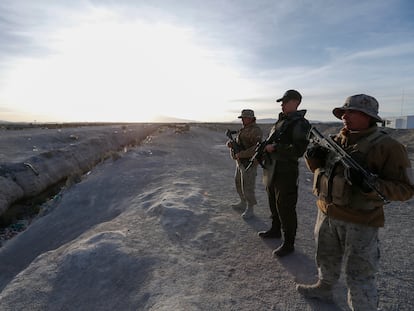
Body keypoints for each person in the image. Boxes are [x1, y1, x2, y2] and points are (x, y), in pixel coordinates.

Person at [297, 94, 414, 310]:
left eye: (351, 112)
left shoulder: (388, 147)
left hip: (360, 222)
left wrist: (371, 186)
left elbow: (406, 189)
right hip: (326, 214)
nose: (345, 116)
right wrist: (312, 156)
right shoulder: (335, 140)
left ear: (369, 117)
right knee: (325, 258)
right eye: (343, 112)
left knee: (359, 275)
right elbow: (319, 170)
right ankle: (324, 287)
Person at [258, 90, 310, 257]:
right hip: (272, 168)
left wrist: (276, 148)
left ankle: (289, 243)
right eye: (282, 101)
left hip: (286, 171)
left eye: (285, 101)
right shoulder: (281, 122)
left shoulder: (300, 124)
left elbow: (299, 150)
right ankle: (275, 229)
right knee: (273, 201)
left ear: (296, 102)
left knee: (286, 207)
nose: (282, 104)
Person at [226, 109, 263, 219]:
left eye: (245, 118)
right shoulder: (244, 129)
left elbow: (257, 148)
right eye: (242, 118)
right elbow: (239, 143)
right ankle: (243, 203)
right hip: (240, 162)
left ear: (251, 118)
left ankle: (250, 208)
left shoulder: (256, 130)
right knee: (238, 183)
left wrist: (241, 154)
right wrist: (232, 145)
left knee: (248, 186)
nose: (243, 120)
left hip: (249, 163)